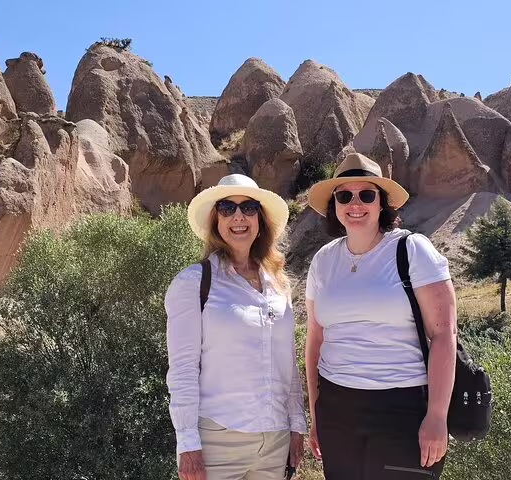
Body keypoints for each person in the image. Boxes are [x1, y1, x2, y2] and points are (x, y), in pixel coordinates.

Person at [304, 153, 458, 479]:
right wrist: (317, 415)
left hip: (402, 410)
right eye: (344, 195)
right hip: (336, 409)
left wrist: (437, 415)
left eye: (366, 194)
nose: (355, 203)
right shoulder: (323, 261)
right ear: (334, 204)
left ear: (382, 203)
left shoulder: (413, 250)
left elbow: (445, 334)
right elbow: (315, 342)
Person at [165, 174, 307, 480]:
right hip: (218, 441)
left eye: (249, 207)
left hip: (275, 440)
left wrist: (297, 424)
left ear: (260, 219)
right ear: (216, 220)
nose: (238, 216)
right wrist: (187, 445)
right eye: (227, 208)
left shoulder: (279, 285)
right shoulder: (193, 283)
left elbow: (288, 364)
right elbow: (183, 370)